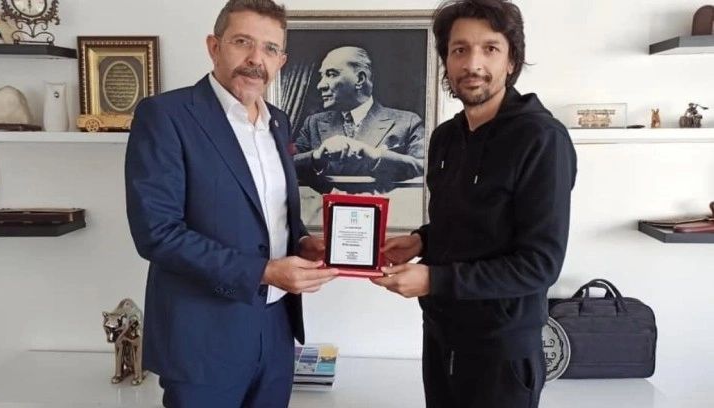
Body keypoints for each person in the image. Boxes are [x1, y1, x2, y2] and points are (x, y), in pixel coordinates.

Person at [124, 1, 337, 407]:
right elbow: (157, 233)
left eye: (270, 48)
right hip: (201, 340)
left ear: (281, 61)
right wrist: (264, 271)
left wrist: (303, 243)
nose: (256, 59)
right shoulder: (166, 116)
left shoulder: (279, 122)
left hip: (276, 332)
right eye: (243, 42)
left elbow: (271, 213)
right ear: (214, 46)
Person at [371, 1, 578, 407]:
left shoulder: (542, 139)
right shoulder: (446, 138)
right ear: (446, 60)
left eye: (490, 48)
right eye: (459, 50)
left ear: (512, 60)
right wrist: (421, 241)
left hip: (502, 352)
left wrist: (434, 280)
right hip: (440, 335)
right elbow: (467, 223)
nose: (472, 64)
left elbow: (540, 264)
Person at [293, 46, 425, 194]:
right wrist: (316, 157)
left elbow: (425, 168)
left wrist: (376, 156)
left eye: (331, 74)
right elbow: (285, 166)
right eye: (322, 76)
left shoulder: (407, 122)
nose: (321, 85)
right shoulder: (313, 124)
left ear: (360, 79)